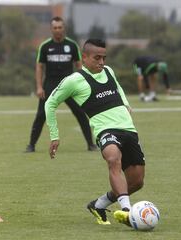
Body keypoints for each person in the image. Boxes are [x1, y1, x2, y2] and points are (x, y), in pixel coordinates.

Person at [45, 39, 146, 226]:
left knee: (137, 181)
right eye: (97, 58)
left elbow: (118, 87)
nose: (101, 62)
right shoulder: (73, 81)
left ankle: (98, 205)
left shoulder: (108, 71)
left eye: (104, 58)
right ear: (84, 58)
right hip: (106, 130)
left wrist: (125, 103)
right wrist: (54, 135)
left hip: (128, 129)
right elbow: (50, 103)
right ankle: (127, 211)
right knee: (113, 159)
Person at [25, 16, 97, 153]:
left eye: (60, 27)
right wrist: (39, 87)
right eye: (55, 28)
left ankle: (91, 144)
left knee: (81, 113)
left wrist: (84, 83)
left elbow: (79, 65)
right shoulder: (45, 46)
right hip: (50, 84)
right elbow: (39, 67)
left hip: (69, 84)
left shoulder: (72, 45)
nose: (58, 30)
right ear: (51, 29)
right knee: (41, 114)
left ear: (64, 29)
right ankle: (31, 145)